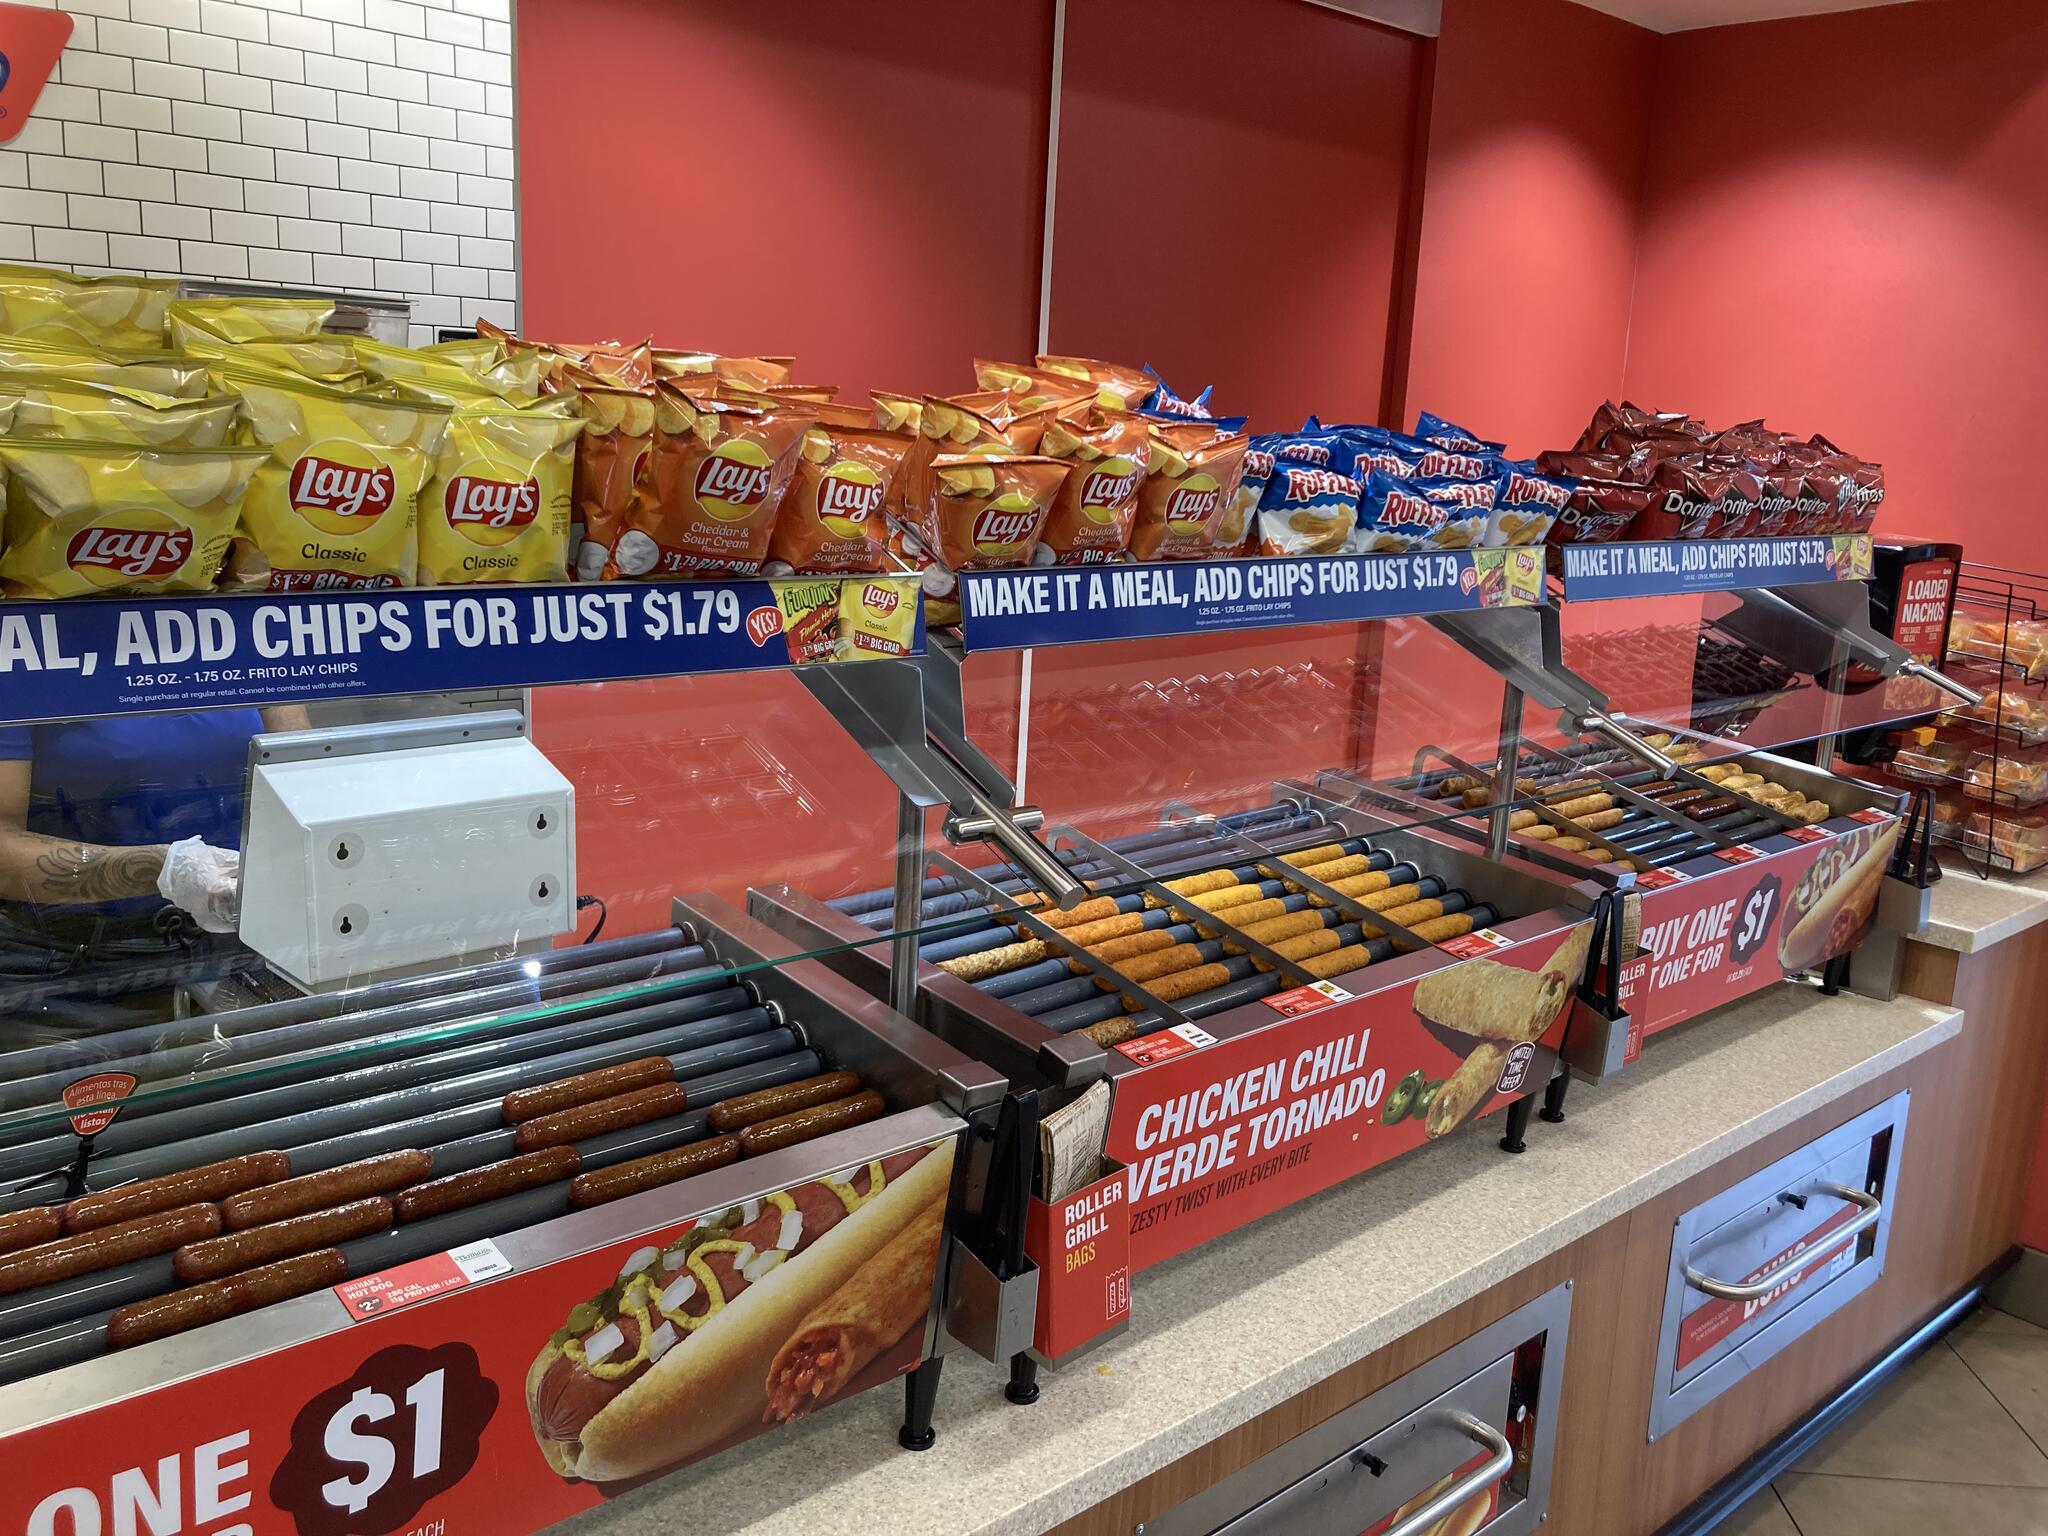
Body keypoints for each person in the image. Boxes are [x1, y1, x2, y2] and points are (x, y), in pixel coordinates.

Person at [0, 704, 308, 1042]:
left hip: (239, 944)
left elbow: (305, 784)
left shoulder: (248, 668)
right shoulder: (23, 671)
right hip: (76, 964)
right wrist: (168, 869)